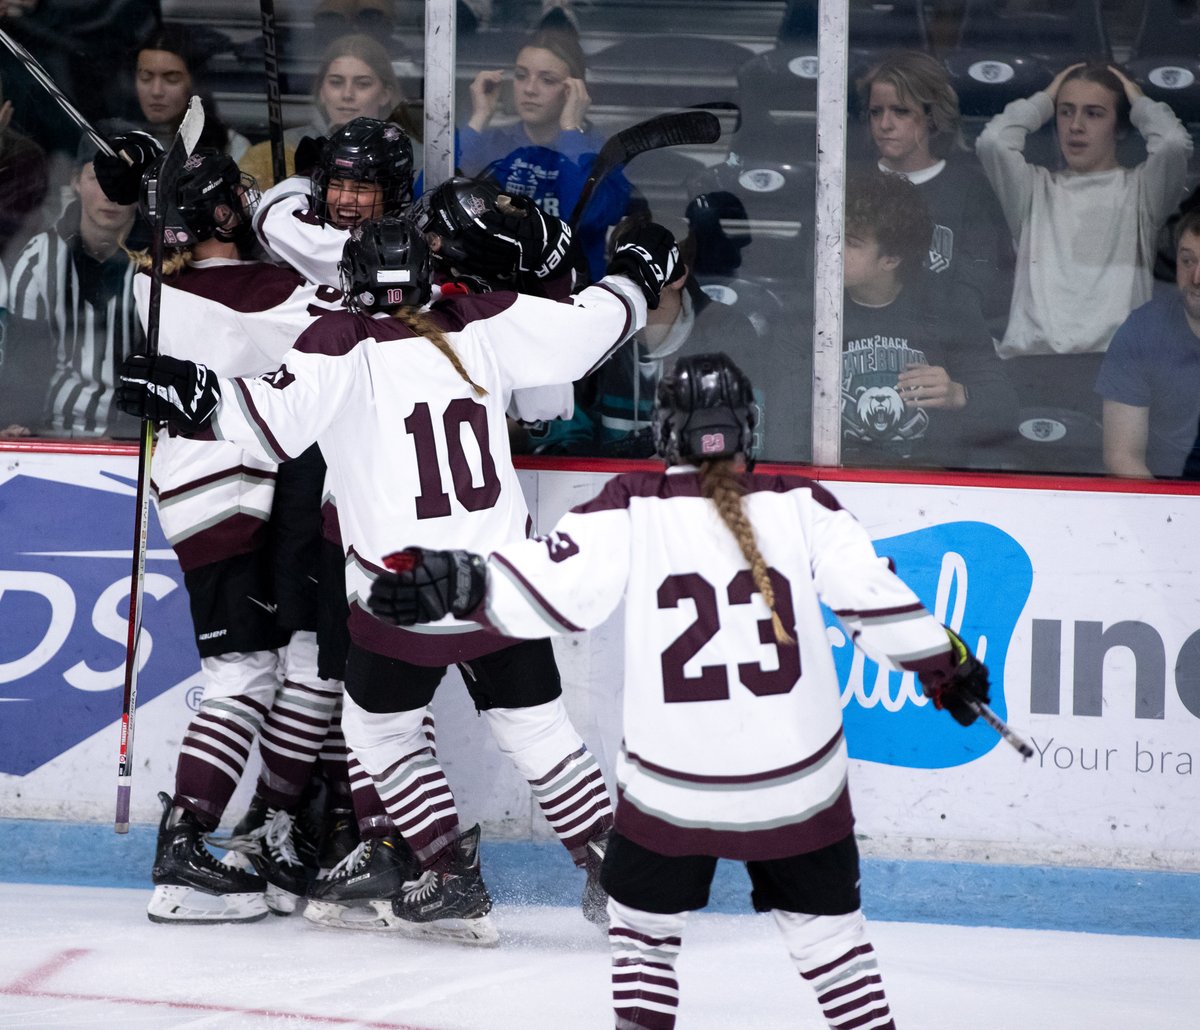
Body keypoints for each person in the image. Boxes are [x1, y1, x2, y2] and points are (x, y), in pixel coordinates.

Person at [363, 350, 992, 1030]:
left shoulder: (634, 504)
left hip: (675, 787)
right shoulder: (803, 503)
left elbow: (554, 589)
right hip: (798, 782)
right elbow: (876, 602)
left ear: (665, 432)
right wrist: (944, 665)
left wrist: (462, 582)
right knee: (831, 944)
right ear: (749, 425)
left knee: (642, 935)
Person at [114, 216, 679, 945]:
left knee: (376, 732)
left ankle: (448, 874)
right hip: (503, 584)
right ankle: (611, 867)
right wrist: (634, 275)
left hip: (401, 594)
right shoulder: (481, 320)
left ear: (350, 282)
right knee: (537, 729)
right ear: (425, 276)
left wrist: (191, 394)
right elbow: (588, 328)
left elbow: (267, 424)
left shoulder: (339, 342)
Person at [107, 147, 364, 922]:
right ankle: (187, 851)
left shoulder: (148, 279)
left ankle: (249, 831)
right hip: (229, 496)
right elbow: (354, 311)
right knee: (249, 673)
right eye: (239, 202)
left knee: (268, 664)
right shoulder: (262, 290)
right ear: (221, 214)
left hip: (197, 495)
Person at [975, 61, 1192, 419]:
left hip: (1114, 368)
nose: (1075, 126)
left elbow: (1171, 143)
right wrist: (1047, 96)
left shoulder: (1140, 191)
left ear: (1119, 127)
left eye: (1094, 113)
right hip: (1032, 368)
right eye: (1065, 112)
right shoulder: (1033, 190)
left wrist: (1135, 98)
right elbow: (994, 142)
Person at [841, 167, 1017, 469]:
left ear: (891, 258)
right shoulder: (809, 311)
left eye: (851, 243)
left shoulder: (949, 305)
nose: (834, 249)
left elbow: (1006, 410)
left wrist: (958, 394)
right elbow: (788, 424)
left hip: (932, 486)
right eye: (833, 235)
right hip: (838, 483)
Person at [857, 49, 1014, 340]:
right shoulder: (850, 184)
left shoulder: (970, 190)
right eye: (876, 112)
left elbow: (990, 283)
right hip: (863, 340)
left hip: (947, 343)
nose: (884, 124)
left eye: (900, 111)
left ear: (932, 117)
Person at [2, 122, 144, 439]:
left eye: (121, 181)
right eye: (97, 177)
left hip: (141, 437)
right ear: (76, 181)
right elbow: (25, 361)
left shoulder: (161, 265)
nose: (110, 193)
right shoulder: (38, 259)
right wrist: (18, 421)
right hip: (57, 433)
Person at [459, 27, 630, 280]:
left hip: (573, 297)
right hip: (496, 292)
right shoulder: (491, 144)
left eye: (547, 80)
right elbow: (430, 203)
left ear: (575, 90)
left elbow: (588, 217)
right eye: (520, 75)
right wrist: (480, 116)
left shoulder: (601, 152)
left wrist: (570, 130)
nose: (529, 89)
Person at [1096, 206, 1200, 479]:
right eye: (1187, 261)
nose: (1197, 278)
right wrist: (1166, 514)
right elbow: (1122, 456)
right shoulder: (1142, 332)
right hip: (1163, 499)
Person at [239, 33, 417, 191]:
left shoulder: (418, 159)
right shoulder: (268, 156)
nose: (347, 95)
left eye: (363, 84)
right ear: (321, 91)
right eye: (336, 82)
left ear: (385, 94)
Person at [253, 115, 413, 287]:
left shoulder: (412, 250)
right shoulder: (294, 226)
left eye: (360, 188)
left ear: (393, 194)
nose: (344, 200)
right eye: (336, 184)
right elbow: (270, 215)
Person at [131, 23, 250, 161]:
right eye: (146, 77)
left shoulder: (232, 148)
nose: (156, 91)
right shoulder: (124, 141)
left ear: (195, 83)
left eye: (172, 78)